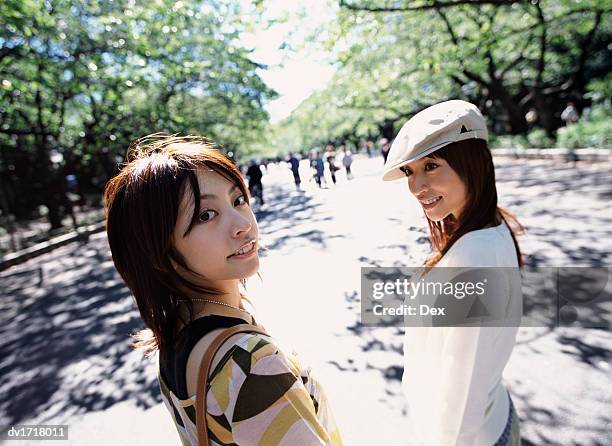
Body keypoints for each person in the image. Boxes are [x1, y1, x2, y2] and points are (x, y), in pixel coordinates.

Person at [104, 135, 342, 445]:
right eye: (206, 215)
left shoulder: (175, 339)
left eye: (238, 200)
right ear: (160, 252)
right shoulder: (252, 363)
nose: (242, 223)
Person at [382, 100, 523, 446]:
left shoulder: (472, 257)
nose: (416, 187)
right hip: (493, 416)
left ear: (471, 164)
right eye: (409, 171)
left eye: (431, 166)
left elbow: (463, 392)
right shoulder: (490, 224)